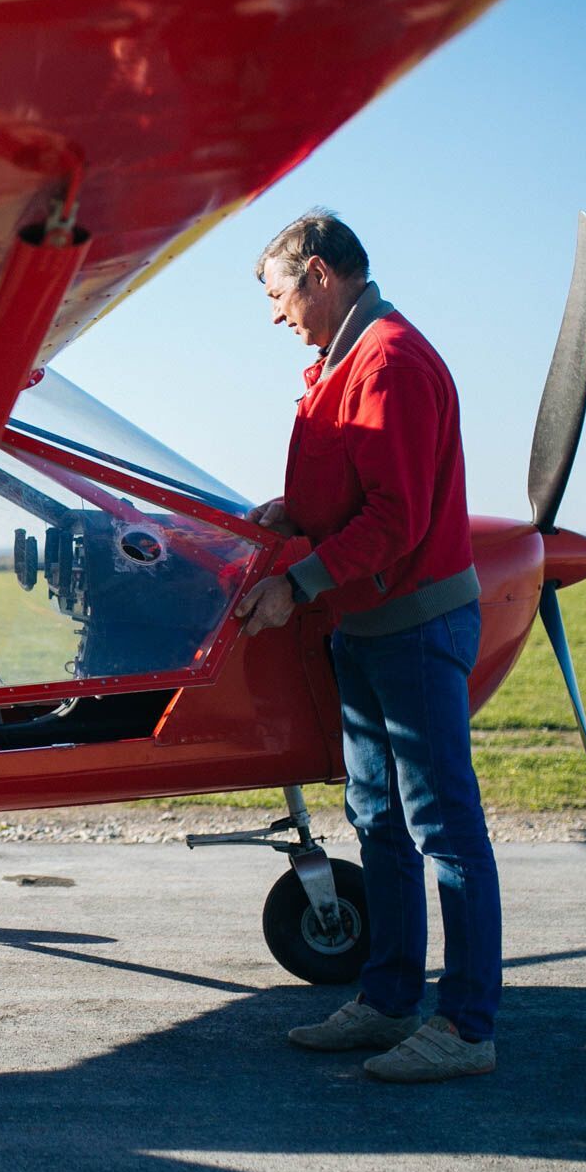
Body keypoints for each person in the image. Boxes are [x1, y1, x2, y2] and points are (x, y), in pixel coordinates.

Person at [233, 210, 500, 1083]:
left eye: (278, 296)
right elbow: (351, 492)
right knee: (380, 821)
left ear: (316, 273)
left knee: (442, 824)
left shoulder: (388, 360)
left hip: (414, 627)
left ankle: (464, 1029)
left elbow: (396, 518)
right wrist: (294, 515)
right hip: (367, 627)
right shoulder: (343, 362)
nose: (275, 316)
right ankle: (387, 1002)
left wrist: (299, 584)